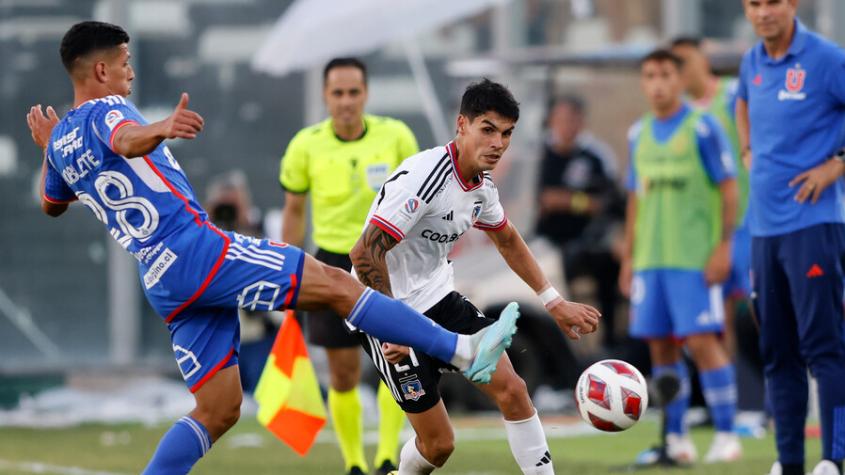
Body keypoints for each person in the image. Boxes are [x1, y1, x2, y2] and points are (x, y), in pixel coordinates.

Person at [26, 21, 519, 475]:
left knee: (218, 410)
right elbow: (128, 139)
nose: (131, 73)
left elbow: (52, 203)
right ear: (101, 69)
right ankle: (461, 348)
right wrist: (159, 128)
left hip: (160, 278)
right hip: (196, 250)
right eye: (126, 62)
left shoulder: (63, 140)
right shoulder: (108, 110)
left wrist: (52, 150)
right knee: (340, 286)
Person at [349, 79, 602, 475]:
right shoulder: (426, 176)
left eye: (507, 133)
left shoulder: (481, 187)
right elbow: (365, 253)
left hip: (439, 300)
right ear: (461, 125)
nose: (498, 143)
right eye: (488, 129)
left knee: (514, 390)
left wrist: (554, 301)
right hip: (384, 310)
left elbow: (508, 240)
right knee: (438, 446)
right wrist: (388, 325)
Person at [279, 57, 416, 475]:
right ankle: (354, 463)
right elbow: (294, 211)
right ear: (325, 96)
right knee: (342, 371)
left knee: (396, 361)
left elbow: (420, 199)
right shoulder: (305, 144)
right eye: (337, 93)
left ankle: (389, 456)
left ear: (366, 94)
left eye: (354, 92)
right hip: (330, 264)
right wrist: (286, 269)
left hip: (385, 259)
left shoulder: (395, 136)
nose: (346, 102)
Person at [736, 1, 845, 474]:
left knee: (824, 347)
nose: (764, 12)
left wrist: (836, 164)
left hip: (814, 227)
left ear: (792, 4)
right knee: (777, 352)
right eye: (754, 3)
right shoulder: (751, 62)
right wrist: (745, 148)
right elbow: (740, 100)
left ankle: (835, 460)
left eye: (773, 1)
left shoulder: (826, 59)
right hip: (764, 231)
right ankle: (789, 462)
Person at [619, 49, 741, 464]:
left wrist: (724, 246)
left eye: (665, 75)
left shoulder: (703, 127)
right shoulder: (639, 133)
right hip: (651, 261)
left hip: (693, 259)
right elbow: (635, 198)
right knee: (660, 348)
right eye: (649, 75)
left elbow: (728, 187)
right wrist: (628, 258)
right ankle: (676, 439)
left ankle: (727, 434)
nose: (657, 83)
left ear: (679, 79)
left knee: (703, 342)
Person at [671, 37, 752, 357]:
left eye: (686, 62)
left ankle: (785, 395)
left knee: (763, 311)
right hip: (704, 235)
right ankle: (730, 401)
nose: (681, 71)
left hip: (747, 223)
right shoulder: (679, 115)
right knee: (717, 321)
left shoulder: (733, 94)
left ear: (704, 60)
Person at [535, 95, 624, 349]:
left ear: (580, 122)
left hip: (585, 240)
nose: (565, 126)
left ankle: (608, 339)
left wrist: (570, 201)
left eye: (570, 119)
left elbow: (608, 203)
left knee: (607, 264)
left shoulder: (595, 157)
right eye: (559, 119)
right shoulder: (538, 156)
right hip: (543, 241)